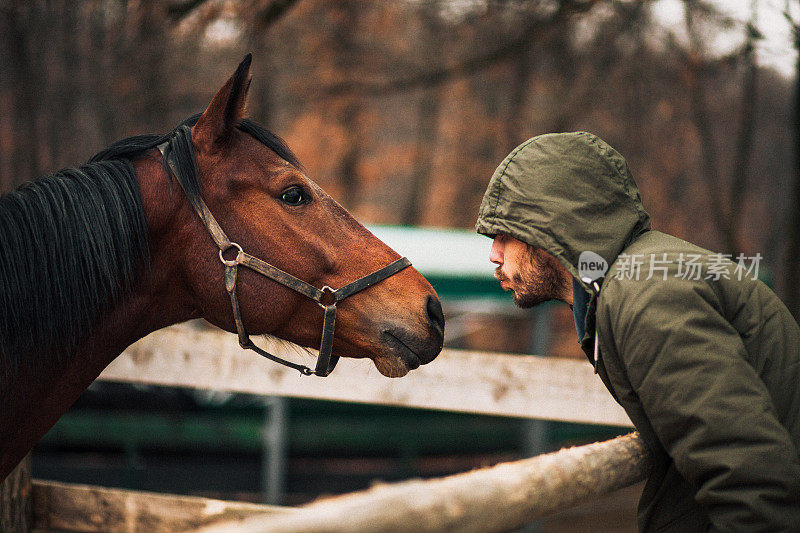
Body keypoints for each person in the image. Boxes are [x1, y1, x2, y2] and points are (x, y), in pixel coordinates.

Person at [475, 131, 800, 532]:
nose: (494, 254)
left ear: (549, 229)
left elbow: (748, 476)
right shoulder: (628, 284)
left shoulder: (647, 296)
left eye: (504, 235)